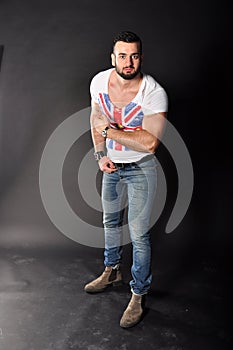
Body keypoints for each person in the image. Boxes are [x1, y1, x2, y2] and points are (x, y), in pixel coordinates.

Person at [84, 31, 168, 328]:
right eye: (122, 55)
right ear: (113, 57)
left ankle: (139, 293)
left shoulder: (153, 92)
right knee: (109, 222)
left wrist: (109, 132)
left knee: (139, 234)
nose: (128, 61)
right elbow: (96, 116)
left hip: (141, 168)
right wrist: (99, 154)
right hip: (112, 166)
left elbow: (149, 143)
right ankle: (112, 270)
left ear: (141, 58)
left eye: (134, 55)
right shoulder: (99, 82)